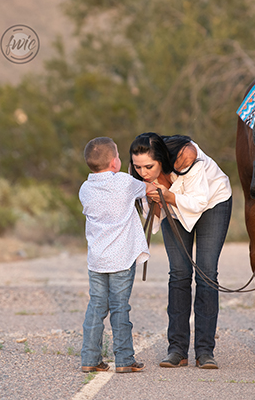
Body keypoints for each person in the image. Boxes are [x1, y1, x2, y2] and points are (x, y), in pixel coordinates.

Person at [129, 133, 232, 370]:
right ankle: (177, 349)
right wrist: (153, 197)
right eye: (137, 167)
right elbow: (152, 221)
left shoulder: (186, 156)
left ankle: (205, 351)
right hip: (173, 208)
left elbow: (197, 202)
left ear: (162, 160)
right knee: (178, 274)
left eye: (149, 167)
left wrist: (168, 195)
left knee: (206, 273)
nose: (143, 172)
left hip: (212, 203)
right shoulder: (137, 173)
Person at [79, 137, 156, 373]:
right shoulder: (124, 182)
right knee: (120, 308)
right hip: (121, 259)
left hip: (97, 260)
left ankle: (90, 358)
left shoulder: (85, 189)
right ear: (115, 162)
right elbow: (149, 188)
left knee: (96, 307)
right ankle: (124, 359)